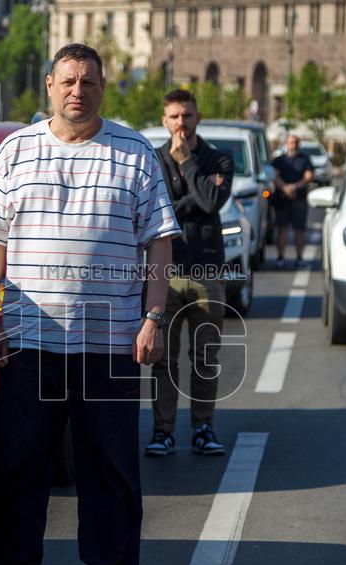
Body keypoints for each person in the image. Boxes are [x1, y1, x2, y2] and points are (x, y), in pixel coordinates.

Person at [0, 43, 179, 565]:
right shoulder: (15, 151)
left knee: (110, 469)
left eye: (88, 81)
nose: (77, 91)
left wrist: (153, 318)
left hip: (110, 344)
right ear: (49, 86)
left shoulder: (134, 153)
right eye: (68, 81)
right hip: (29, 343)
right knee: (19, 467)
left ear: (102, 87)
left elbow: (159, 242)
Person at [146, 89, 233, 458]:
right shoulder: (154, 160)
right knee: (164, 359)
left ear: (198, 118)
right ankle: (163, 431)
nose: (182, 123)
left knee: (205, 357)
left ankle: (203, 427)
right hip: (165, 273)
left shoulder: (218, 159)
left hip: (206, 272)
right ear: (164, 121)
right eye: (175, 116)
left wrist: (188, 165)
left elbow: (212, 202)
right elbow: (157, 209)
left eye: (188, 115)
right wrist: (195, 197)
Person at [271, 133, 314, 268]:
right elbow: (274, 176)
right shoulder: (279, 160)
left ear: (298, 144)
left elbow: (308, 176)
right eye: (290, 142)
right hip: (282, 199)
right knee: (282, 228)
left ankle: (299, 257)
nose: (293, 145)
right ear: (286, 143)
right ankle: (280, 257)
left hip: (299, 199)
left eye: (295, 142)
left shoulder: (305, 159)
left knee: (299, 230)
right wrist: (285, 188)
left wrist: (294, 187)